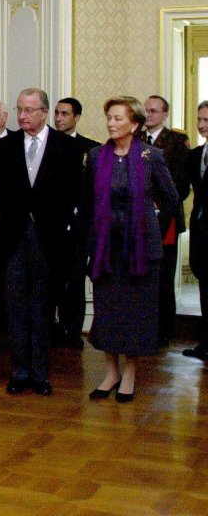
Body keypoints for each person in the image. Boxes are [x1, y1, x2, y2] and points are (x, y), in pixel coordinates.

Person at [82, 96, 179, 403]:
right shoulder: (96, 157)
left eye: (118, 118)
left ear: (134, 124)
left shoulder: (152, 156)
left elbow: (172, 200)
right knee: (109, 312)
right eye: (109, 117)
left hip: (141, 252)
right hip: (106, 250)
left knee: (136, 314)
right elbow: (87, 203)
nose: (111, 123)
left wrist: (150, 227)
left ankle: (131, 373)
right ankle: (110, 372)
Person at [0, 88, 81, 396]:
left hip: (49, 238)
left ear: (44, 113)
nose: (22, 116)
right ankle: (20, 372)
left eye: (29, 110)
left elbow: (72, 193)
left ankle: (40, 373)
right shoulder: (4, 147)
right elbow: (0, 190)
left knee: (43, 307)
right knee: (15, 306)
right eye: (19, 109)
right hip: (14, 236)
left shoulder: (66, 149)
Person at [51, 97, 100, 348]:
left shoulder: (91, 149)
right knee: (51, 279)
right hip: (51, 226)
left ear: (76, 117)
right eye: (57, 113)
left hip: (80, 226)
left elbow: (94, 191)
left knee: (75, 279)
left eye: (65, 114)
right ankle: (51, 327)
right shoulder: (44, 144)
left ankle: (73, 330)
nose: (59, 118)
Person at [142, 95, 191, 346]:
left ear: (165, 114)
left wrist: (158, 203)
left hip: (166, 219)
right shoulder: (136, 138)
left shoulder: (177, 141)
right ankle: (144, 327)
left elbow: (181, 185)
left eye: (153, 111)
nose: (148, 115)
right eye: (146, 110)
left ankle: (163, 330)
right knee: (143, 276)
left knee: (163, 277)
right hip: (139, 219)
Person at [183, 101, 208, 361]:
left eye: (206, 120)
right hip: (200, 232)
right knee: (204, 288)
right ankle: (205, 343)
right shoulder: (195, 155)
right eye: (199, 119)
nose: (201, 125)